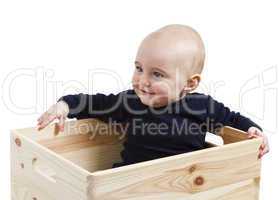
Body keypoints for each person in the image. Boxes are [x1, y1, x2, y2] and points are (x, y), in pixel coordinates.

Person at [37, 24, 269, 168]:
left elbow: (233, 120)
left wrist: (254, 130)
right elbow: (93, 103)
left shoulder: (201, 106)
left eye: (157, 74)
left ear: (190, 83)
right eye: (139, 68)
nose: (142, 80)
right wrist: (64, 105)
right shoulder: (130, 102)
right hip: (129, 184)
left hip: (185, 183)